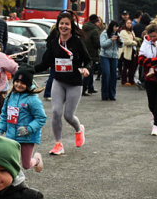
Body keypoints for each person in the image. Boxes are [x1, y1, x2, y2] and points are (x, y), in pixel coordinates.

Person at [34, 11, 92, 156]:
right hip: (59, 82)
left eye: (67, 24)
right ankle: (58, 144)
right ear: (58, 26)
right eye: (62, 24)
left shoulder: (77, 42)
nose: (64, 26)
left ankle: (79, 130)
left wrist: (86, 69)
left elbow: (89, 60)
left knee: (68, 116)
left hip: (74, 83)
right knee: (55, 112)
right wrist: (28, 69)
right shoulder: (54, 43)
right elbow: (45, 63)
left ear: (71, 26)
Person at [0, 65, 47, 172]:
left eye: (23, 83)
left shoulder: (33, 100)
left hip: (27, 138)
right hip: (11, 136)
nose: (19, 84)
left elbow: (41, 118)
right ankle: (13, 182)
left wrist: (28, 129)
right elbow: (5, 115)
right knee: (10, 162)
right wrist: (0, 131)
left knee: (26, 165)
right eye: (17, 81)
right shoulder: (10, 96)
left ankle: (37, 159)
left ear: (28, 84)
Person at [99, 20, 122, 101]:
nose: (116, 28)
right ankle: (104, 94)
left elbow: (121, 46)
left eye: (117, 27)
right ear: (111, 26)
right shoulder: (104, 34)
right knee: (106, 73)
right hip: (105, 56)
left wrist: (120, 41)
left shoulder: (117, 34)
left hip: (114, 57)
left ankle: (112, 95)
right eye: (115, 27)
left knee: (114, 76)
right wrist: (111, 40)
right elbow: (102, 45)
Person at [81, 14, 101, 96]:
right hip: (92, 53)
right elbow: (96, 44)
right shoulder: (95, 30)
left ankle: (90, 87)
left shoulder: (84, 29)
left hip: (84, 52)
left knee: (88, 71)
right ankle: (85, 89)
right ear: (95, 22)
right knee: (89, 72)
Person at [119, 18, 138, 86]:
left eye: (130, 23)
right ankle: (124, 81)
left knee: (133, 66)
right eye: (128, 23)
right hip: (126, 51)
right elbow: (126, 41)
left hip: (133, 51)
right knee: (125, 66)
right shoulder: (123, 31)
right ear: (125, 24)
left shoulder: (132, 31)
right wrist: (135, 43)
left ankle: (131, 80)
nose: (129, 24)